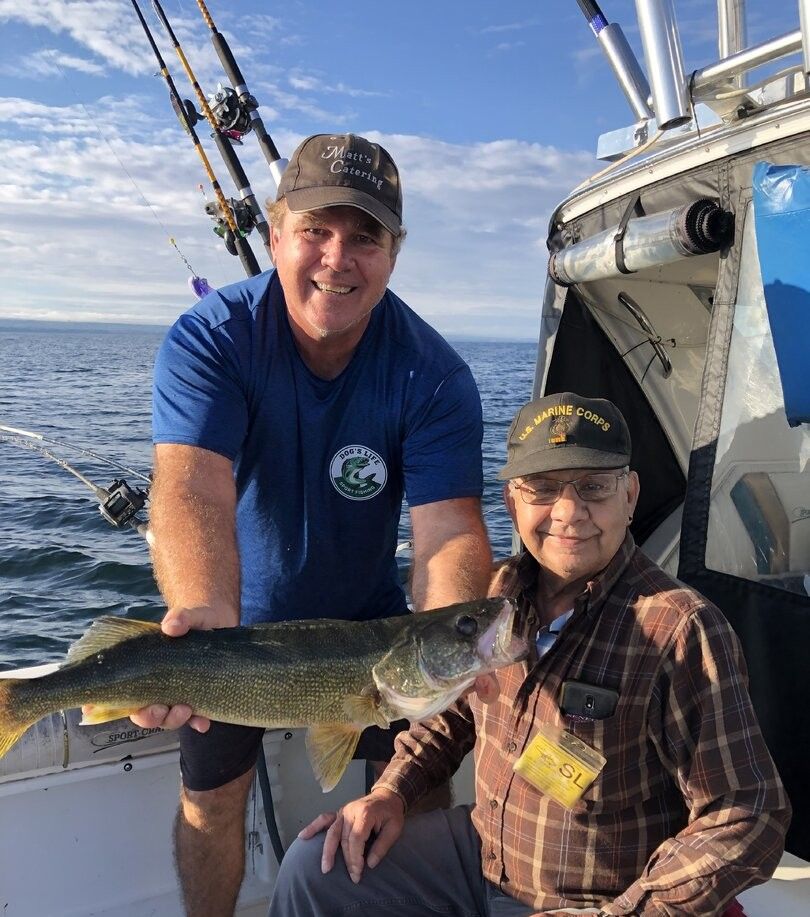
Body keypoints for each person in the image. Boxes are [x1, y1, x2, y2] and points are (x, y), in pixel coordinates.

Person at [127, 133, 493, 917]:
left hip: (370, 628)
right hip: (232, 629)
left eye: (366, 236)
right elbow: (191, 484)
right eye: (316, 231)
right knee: (211, 799)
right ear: (274, 235)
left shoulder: (433, 375)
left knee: (413, 790)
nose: (338, 257)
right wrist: (201, 615)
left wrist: (455, 643)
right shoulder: (213, 338)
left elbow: (449, 532)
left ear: (394, 252)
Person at [270, 392, 791, 916]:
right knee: (316, 867)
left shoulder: (679, 628)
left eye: (593, 487)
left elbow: (749, 815)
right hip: (486, 857)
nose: (568, 511)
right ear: (512, 501)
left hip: (603, 897)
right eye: (542, 488)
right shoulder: (495, 599)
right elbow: (448, 719)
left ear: (630, 496)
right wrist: (390, 793)